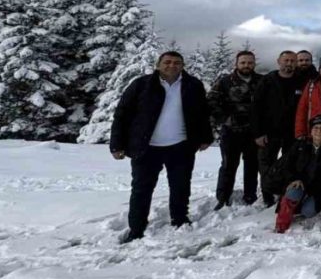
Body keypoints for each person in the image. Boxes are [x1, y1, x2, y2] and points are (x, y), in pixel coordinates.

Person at [110, 51, 213, 243]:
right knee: (141, 189)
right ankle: (137, 228)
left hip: (181, 145)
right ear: (158, 64)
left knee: (181, 186)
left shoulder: (193, 85)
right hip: (147, 147)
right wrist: (117, 144)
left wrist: (206, 137)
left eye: (177, 63)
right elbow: (122, 114)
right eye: (167, 62)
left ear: (183, 65)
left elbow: (202, 113)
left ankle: (180, 219)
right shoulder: (141, 85)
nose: (172, 66)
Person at [269, 115, 321, 233]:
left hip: (318, 190)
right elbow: (287, 166)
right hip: (299, 183)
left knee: (308, 211)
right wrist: (294, 179)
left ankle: (301, 204)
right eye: (316, 128)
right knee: (293, 192)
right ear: (311, 131)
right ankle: (282, 224)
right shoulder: (300, 145)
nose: (319, 131)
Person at [209, 50, 263, 209]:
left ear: (254, 64)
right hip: (231, 131)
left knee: (252, 165)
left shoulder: (261, 81)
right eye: (243, 62)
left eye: (250, 62)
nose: (247, 65)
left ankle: (250, 195)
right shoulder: (225, 82)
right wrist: (225, 118)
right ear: (237, 64)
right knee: (228, 165)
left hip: (253, 132)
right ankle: (223, 197)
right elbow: (211, 101)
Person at [251, 51, 304, 207]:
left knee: (290, 164)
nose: (289, 63)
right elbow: (256, 108)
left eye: (292, 61)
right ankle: (267, 195)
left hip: (292, 133)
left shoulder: (301, 82)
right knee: (266, 165)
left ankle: (285, 193)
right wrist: (258, 133)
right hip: (269, 132)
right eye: (286, 60)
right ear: (278, 61)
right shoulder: (267, 81)